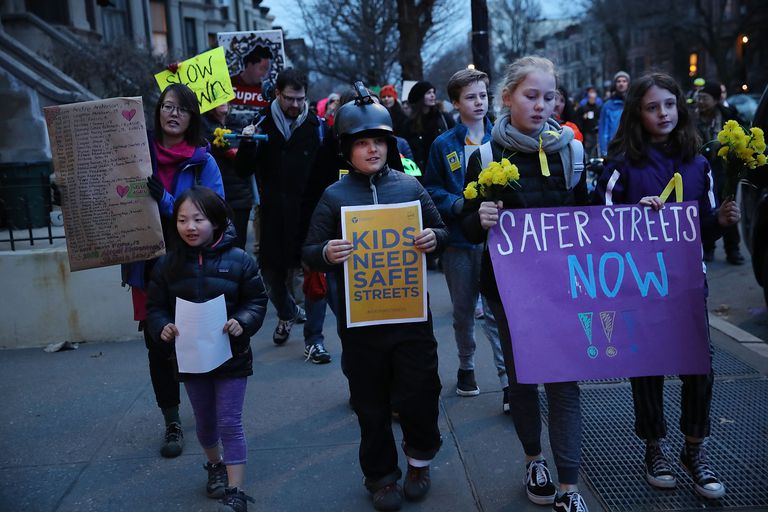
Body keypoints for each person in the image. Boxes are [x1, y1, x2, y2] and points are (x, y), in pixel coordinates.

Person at [595, 72, 739, 500]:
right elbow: (599, 228)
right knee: (649, 369)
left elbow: (703, 228)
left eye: (670, 105)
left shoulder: (699, 164)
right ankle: (654, 447)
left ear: (681, 108)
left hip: (688, 288)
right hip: (639, 289)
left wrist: (722, 222)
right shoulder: (621, 167)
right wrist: (634, 215)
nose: (663, 114)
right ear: (638, 113)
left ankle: (695, 450)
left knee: (700, 368)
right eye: (653, 107)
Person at [302, 88, 445, 511]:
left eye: (378, 141)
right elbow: (309, 251)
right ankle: (381, 476)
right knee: (370, 403)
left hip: (411, 319)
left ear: (389, 144)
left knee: (420, 392)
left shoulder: (410, 187)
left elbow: (443, 231)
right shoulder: (334, 196)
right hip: (361, 323)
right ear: (347, 150)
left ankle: (419, 461)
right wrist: (326, 253)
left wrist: (433, 237)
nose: (372, 149)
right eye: (363, 143)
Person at [461, 56, 590, 511]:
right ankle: (534, 459)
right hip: (510, 294)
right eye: (530, 96)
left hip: (563, 291)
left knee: (565, 383)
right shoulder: (485, 155)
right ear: (508, 98)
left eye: (548, 96)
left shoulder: (571, 151)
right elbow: (467, 224)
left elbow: (591, 219)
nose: (540, 106)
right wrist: (480, 217)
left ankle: (569, 489)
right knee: (523, 379)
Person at [146, 187, 268, 512]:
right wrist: (162, 327)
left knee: (230, 420)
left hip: (232, 356)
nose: (190, 226)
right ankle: (214, 464)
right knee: (204, 421)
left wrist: (242, 321)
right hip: (190, 359)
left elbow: (256, 300)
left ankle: (236, 490)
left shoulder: (240, 260)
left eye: (198, 219)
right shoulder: (166, 265)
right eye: (183, 219)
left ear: (216, 221)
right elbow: (154, 307)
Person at [121, 83, 224, 459]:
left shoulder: (203, 160)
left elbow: (217, 212)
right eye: (167, 106)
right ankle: (172, 421)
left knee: (196, 341)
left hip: (191, 265)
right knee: (159, 346)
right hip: (146, 265)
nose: (173, 113)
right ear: (158, 111)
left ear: (193, 115)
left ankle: (206, 411)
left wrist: (165, 201)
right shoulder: (135, 154)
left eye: (182, 108)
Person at [423, 68, 509, 410]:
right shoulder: (444, 145)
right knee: (463, 311)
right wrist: (456, 203)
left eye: (483, 96)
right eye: (471, 97)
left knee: (495, 311)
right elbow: (431, 188)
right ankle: (467, 366)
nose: (479, 102)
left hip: (498, 242)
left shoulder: (502, 139)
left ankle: (506, 381)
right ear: (456, 103)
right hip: (460, 240)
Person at [236, 68, 330, 363]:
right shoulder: (261, 123)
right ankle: (288, 312)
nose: (295, 105)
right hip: (273, 213)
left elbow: (326, 171)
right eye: (289, 98)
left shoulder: (316, 126)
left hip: (310, 213)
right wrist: (248, 145)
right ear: (277, 94)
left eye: (300, 99)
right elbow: (242, 170)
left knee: (314, 276)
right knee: (269, 275)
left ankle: (314, 339)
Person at [696, 80, 745, 265]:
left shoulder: (729, 118)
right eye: (699, 98)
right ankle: (708, 248)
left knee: (727, 208)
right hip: (702, 172)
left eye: (705, 98)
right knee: (707, 209)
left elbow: (742, 139)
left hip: (724, 171)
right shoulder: (692, 119)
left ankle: (733, 250)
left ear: (716, 100)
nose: (700, 101)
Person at [203, 102, 253, 250]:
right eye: (217, 98)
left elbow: (248, 163)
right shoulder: (202, 126)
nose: (222, 101)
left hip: (240, 197)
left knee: (237, 247)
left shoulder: (240, 124)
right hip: (214, 196)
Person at [403, 80, 456, 179]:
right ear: (420, 96)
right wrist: (413, 176)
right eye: (428, 93)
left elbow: (455, 141)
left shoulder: (444, 118)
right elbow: (407, 152)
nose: (432, 96)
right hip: (420, 174)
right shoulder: (409, 124)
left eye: (433, 92)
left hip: (443, 171)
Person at [598, 71, 630, 156]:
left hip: (631, 147)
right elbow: (603, 130)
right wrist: (604, 151)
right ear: (615, 84)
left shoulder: (633, 103)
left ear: (628, 84)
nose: (621, 83)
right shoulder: (607, 106)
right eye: (618, 81)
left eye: (624, 81)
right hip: (614, 148)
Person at [576, 86, 600, 158]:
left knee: (595, 150)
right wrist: (583, 118)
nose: (592, 95)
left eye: (593, 92)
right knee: (588, 149)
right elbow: (578, 120)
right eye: (591, 92)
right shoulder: (583, 108)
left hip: (596, 133)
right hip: (586, 133)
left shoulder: (598, 107)